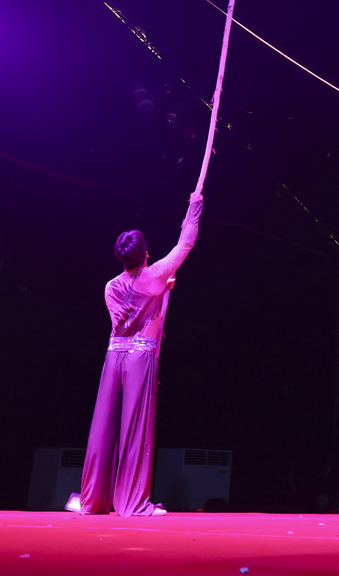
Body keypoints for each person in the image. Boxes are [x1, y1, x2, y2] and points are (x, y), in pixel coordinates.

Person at [68, 192, 203, 516]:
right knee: (134, 427)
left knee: (104, 425)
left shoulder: (111, 286)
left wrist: (160, 291)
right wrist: (194, 206)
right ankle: (131, 502)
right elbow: (185, 244)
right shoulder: (154, 276)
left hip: (114, 358)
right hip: (140, 358)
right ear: (146, 254)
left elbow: (129, 314)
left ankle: (93, 499)